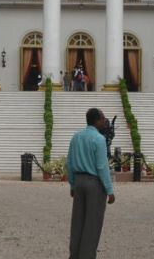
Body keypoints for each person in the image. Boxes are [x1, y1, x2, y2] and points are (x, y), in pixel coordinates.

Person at [66, 108, 116, 259]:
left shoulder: (76, 137)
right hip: (94, 183)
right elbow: (102, 166)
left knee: (78, 222)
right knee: (92, 223)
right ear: (97, 120)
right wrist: (109, 190)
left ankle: (74, 254)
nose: (105, 121)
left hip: (79, 182)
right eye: (103, 119)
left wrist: (73, 184)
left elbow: (69, 162)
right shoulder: (99, 139)